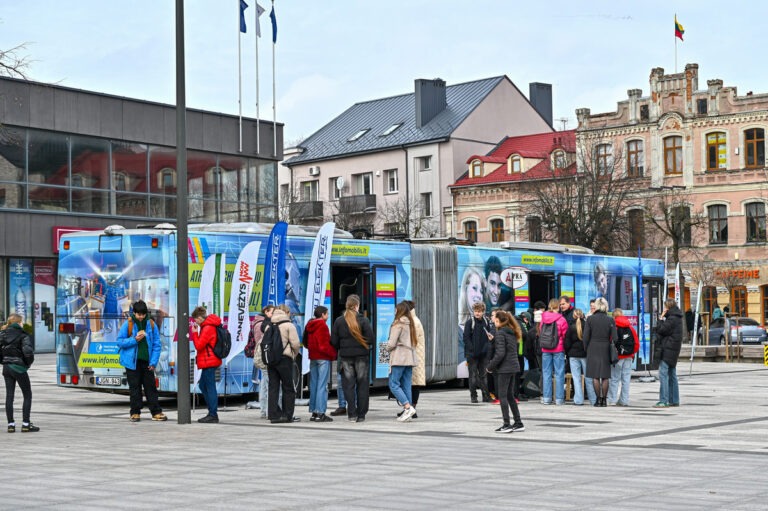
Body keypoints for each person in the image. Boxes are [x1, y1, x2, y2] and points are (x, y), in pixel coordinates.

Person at [116, 300, 167, 422]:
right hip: (131, 362)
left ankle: (156, 412)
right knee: (134, 388)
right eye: (138, 314)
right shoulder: (128, 324)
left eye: (143, 314)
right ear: (134, 313)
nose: (141, 317)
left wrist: (153, 362)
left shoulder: (151, 324)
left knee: (150, 388)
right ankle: (135, 412)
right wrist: (134, 339)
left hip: (147, 362)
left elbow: (156, 344)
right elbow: (119, 342)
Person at [330, 294, 374, 422]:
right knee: (362, 385)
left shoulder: (339, 321)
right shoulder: (364, 320)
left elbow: (333, 341)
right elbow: (371, 338)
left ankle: (351, 413)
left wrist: (343, 347)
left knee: (348, 386)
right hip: (362, 357)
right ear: (357, 306)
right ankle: (361, 415)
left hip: (345, 357)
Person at [486, 310, 525, 433]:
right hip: (513, 366)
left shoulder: (500, 333)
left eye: (496, 321)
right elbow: (506, 349)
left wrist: (490, 366)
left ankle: (506, 424)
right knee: (510, 396)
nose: (495, 323)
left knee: (502, 396)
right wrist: (494, 342)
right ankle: (518, 422)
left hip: (505, 368)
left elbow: (500, 354)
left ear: (500, 322)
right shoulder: (511, 332)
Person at [0, 314, 39, 432]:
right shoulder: (23, 335)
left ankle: (11, 425)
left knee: (9, 396)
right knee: (27, 395)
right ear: (19, 322)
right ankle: (26, 424)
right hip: (19, 368)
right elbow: (28, 353)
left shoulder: (2, 334)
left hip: (6, 368)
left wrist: (4, 361)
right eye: (22, 321)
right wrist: (27, 364)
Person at [266, 304, 301, 424]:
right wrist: (293, 354)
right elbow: (296, 344)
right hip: (284, 359)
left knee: (273, 387)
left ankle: (273, 415)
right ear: (286, 313)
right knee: (288, 387)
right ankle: (287, 415)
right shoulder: (289, 325)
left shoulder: (269, 325)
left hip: (271, 360)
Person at [386, 302, 418, 422]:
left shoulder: (398, 324)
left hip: (399, 357)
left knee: (393, 384)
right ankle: (408, 411)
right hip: (409, 358)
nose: (394, 312)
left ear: (399, 311)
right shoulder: (411, 323)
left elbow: (392, 343)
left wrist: (387, 348)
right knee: (406, 385)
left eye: (395, 310)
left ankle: (407, 407)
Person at [190, 306, 222, 423]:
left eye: (195, 320)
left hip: (209, 361)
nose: (195, 322)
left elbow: (199, 345)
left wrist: (194, 333)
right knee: (203, 385)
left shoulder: (208, 328)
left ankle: (213, 414)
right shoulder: (208, 326)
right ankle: (211, 412)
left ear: (199, 318)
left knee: (209, 387)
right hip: (209, 360)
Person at [583, 297, 617, 407]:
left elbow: (585, 337)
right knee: (605, 376)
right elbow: (615, 338)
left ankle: (598, 400)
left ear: (596, 306)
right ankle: (604, 400)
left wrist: (586, 348)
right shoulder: (610, 319)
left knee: (595, 376)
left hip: (593, 347)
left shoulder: (590, 319)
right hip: (606, 347)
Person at [304, 305, 335, 422]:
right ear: (322, 314)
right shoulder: (322, 325)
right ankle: (321, 412)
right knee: (322, 386)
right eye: (327, 314)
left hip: (313, 357)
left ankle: (314, 412)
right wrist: (333, 354)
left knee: (314, 385)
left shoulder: (310, 325)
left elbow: (306, 342)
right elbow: (323, 345)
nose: (328, 316)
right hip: (322, 358)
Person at [564, 308, 596, 406]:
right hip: (585, 355)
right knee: (588, 378)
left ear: (573, 316)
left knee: (576, 378)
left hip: (573, 355)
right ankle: (593, 399)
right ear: (582, 315)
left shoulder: (571, 327)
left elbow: (567, 343)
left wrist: (568, 352)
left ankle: (578, 400)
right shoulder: (587, 326)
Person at [654, 299, 683, 408]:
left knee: (663, 375)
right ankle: (674, 400)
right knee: (672, 374)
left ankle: (664, 400)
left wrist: (661, 318)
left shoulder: (671, 319)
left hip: (667, 349)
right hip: (674, 350)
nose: (664, 309)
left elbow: (661, 330)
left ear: (668, 307)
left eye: (665, 307)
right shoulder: (678, 317)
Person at [463, 302, 493, 403]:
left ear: (483, 312)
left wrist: (487, 349)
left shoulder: (486, 322)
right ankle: (473, 396)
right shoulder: (469, 322)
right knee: (473, 375)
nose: (477, 313)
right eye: (476, 311)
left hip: (484, 354)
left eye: (479, 311)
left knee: (483, 375)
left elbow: (489, 336)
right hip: (472, 354)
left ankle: (485, 395)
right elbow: (466, 338)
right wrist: (471, 350)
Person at [608, 308, 639, 406]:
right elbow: (636, 343)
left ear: (614, 316)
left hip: (617, 358)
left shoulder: (614, 327)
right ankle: (624, 400)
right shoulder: (630, 327)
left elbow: (610, 342)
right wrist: (631, 353)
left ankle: (612, 400)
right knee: (626, 379)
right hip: (628, 357)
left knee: (614, 378)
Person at [540, 299, 568, 405]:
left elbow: (541, 331)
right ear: (558, 307)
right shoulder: (561, 319)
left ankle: (547, 398)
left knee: (546, 373)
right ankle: (559, 399)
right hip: (558, 349)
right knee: (559, 373)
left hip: (545, 349)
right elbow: (564, 334)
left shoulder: (543, 318)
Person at [250, 305, 274, 419]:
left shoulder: (259, 322)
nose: (273, 314)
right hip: (265, 358)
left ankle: (264, 411)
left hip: (263, 358)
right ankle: (267, 410)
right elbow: (262, 342)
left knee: (264, 384)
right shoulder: (261, 324)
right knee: (267, 385)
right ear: (266, 311)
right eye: (272, 312)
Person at [405, 300, 426, 418]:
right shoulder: (412, 320)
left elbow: (411, 340)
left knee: (414, 384)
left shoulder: (414, 322)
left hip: (414, 357)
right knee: (412, 384)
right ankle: (410, 408)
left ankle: (412, 408)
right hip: (414, 356)